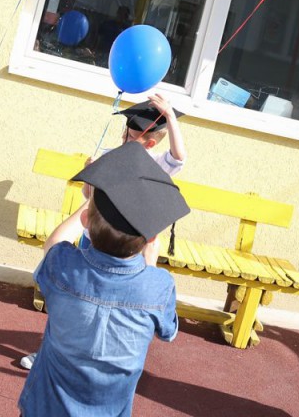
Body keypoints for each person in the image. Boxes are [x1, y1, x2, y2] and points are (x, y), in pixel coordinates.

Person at [18, 142, 190, 417]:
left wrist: (93, 196)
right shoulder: (158, 287)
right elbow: (167, 332)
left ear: (86, 220)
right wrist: (151, 264)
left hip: (45, 408)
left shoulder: (63, 266)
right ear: (150, 238)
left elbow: (54, 243)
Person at [20, 93, 186, 370]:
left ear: (150, 143)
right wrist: (90, 176)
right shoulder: (110, 156)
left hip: (129, 248)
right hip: (94, 238)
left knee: (115, 304)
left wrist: (170, 116)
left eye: (131, 137)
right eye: (124, 134)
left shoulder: (156, 164)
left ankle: (105, 357)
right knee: (74, 298)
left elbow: (179, 157)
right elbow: (90, 197)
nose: (124, 140)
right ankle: (48, 351)